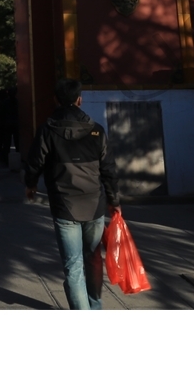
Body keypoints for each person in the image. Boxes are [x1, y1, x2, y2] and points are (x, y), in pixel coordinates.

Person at [25, 79, 120, 310]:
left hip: (64, 204)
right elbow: (108, 169)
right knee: (94, 258)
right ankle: (94, 307)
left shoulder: (47, 130)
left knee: (73, 265)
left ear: (57, 100)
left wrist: (31, 184)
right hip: (95, 203)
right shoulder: (97, 130)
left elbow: (35, 162)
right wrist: (114, 200)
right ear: (79, 100)